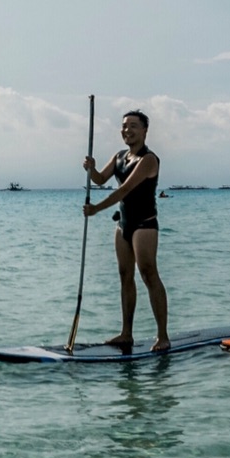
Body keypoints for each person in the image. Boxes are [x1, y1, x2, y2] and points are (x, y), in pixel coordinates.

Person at [83, 110, 167, 351]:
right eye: (124, 126)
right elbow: (99, 180)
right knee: (124, 276)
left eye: (133, 126)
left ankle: (163, 336)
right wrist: (91, 168)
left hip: (144, 224)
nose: (127, 130)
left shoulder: (149, 159)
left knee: (149, 274)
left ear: (144, 131)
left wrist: (96, 209)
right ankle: (126, 334)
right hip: (123, 224)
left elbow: (124, 190)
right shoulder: (120, 156)